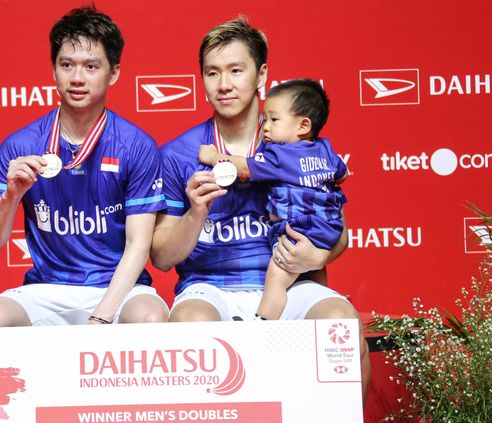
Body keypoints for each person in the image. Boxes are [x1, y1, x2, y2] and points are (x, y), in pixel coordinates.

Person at [150, 17, 369, 395]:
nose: (224, 84)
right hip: (210, 288)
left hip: (292, 284)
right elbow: (161, 257)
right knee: (188, 324)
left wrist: (315, 259)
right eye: (212, 73)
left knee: (341, 325)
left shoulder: (301, 145)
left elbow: (340, 233)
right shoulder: (178, 154)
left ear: (261, 74)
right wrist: (194, 213)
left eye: (236, 70)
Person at [0, 7, 168, 328]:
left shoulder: (136, 145)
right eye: (67, 65)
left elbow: (138, 245)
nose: (77, 78)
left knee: (150, 317)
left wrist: (102, 316)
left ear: (114, 72)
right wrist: (10, 196)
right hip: (48, 289)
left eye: (91, 67)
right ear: (53, 70)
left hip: (117, 287)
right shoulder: (20, 145)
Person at [198, 79, 349, 320]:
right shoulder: (326, 149)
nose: (265, 127)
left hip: (298, 229)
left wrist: (213, 155)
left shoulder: (280, 155)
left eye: (274, 120)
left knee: (277, 278)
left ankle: (264, 323)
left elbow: (243, 168)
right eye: (265, 120)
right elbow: (342, 175)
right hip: (329, 227)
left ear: (303, 125)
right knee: (315, 272)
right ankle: (321, 296)